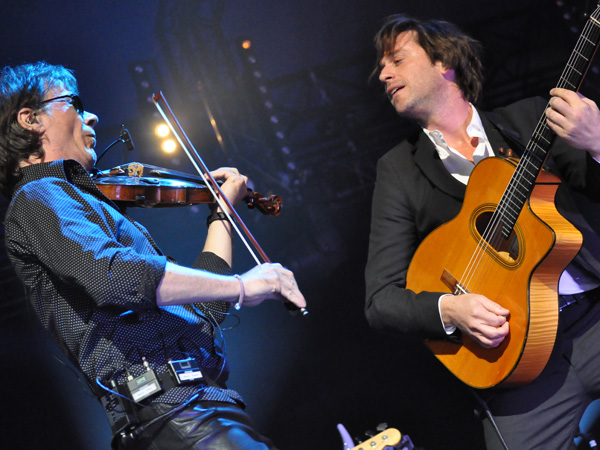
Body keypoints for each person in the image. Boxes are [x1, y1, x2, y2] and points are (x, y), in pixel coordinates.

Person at [0, 61, 306, 450]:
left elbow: (204, 315)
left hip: (198, 404)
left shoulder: (81, 204)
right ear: (31, 120)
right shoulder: (38, 196)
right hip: (169, 410)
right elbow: (116, 278)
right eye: (74, 103)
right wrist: (242, 285)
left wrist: (221, 216)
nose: (91, 114)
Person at [364, 14, 600, 450]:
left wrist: (599, 141)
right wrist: (450, 312)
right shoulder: (398, 170)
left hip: (594, 318)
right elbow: (381, 300)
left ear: (444, 62)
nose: (383, 74)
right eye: (382, 66)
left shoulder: (531, 117)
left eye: (396, 59)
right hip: (517, 364)